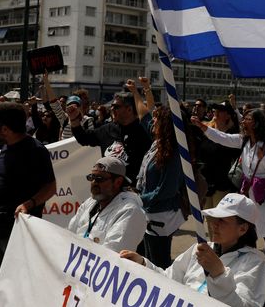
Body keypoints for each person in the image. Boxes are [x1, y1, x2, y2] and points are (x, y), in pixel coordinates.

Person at [120, 193, 265, 307]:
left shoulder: (256, 262)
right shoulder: (199, 248)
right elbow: (168, 279)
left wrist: (219, 275)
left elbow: (243, 305)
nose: (213, 225)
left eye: (222, 221)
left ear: (243, 228)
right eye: (213, 219)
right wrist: (143, 264)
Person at [195, 108, 265, 268]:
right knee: (248, 232)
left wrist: (263, 159)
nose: (243, 121)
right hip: (249, 193)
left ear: (256, 123)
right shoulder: (245, 140)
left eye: (247, 119)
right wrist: (204, 128)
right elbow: (224, 138)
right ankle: (250, 266)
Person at [0, 102, 56, 285]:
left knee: (17, 285)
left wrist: (28, 204)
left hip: (18, 231)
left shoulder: (35, 151)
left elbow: (51, 187)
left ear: (5, 128)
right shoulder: (6, 146)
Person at [68, 91, 151, 186]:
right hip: (107, 190)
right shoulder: (108, 129)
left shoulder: (144, 131)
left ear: (129, 109)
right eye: (111, 106)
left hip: (133, 191)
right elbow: (84, 138)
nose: (111, 109)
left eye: (116, 107)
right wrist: (73, 119)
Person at [135, 106, 184, 267]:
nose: (153, 121)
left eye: (157, 119)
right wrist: (137, 92)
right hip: (149, 211)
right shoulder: (158, 143)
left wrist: (138, 199)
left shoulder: (172, 152)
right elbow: (144, 118)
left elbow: (167, 190)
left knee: (158, 263)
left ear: (166, 124)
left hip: (161, 216)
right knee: (149, 259)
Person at [67, 156, 146, 251]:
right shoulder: (90, 202)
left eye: (100, 178)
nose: (93, 182)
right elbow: (69, 234)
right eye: (91, 177)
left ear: (118, 182)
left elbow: (113, 254)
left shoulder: (130, 211)